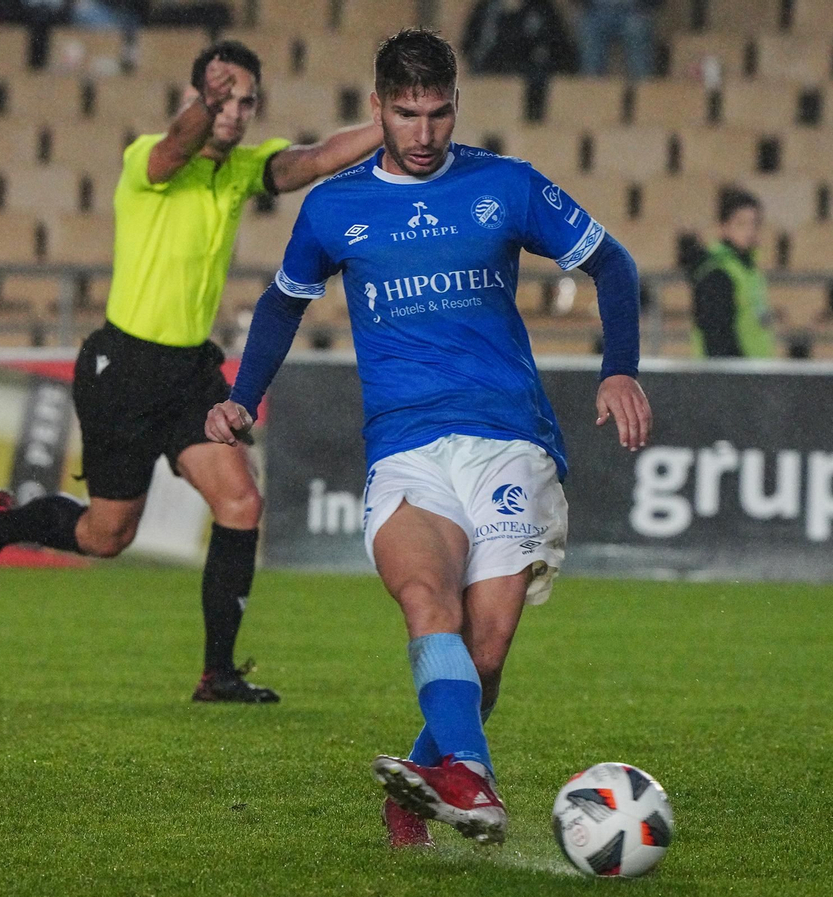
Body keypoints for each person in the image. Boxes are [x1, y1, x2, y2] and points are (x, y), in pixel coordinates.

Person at [205, 29, 649, 847]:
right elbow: (281, 304)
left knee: (485, 651)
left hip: (510, 437)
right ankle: (472, 781)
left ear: (456, 106)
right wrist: (243, 397)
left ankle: (429, 779)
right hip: (404, 449)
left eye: (439, 114)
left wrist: (618, 369)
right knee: (426, 601)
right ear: (377, 107)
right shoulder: (334, 206)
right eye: (406, 114)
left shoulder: (506, 187)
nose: (423, 134)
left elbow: (612, 265)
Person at [0, 40, 382, 703]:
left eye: (245, 102)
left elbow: (311, 161)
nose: (235, 114)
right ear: (195, 99)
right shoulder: (148, 158)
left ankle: (218, 673)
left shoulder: (240, 170)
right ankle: (1, 523)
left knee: (241, 502)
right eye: (222, 99)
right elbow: (173, 150)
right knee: (106, 535)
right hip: (120, 366)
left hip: (189, 371)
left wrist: (388, 125)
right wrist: (201, 113)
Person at [689, 187, 774, 358]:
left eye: (755, 223)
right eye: (741, 223)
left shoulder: (748, 270)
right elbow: (717, 335)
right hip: (730, 376)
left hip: (751, 373)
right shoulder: (717, 273)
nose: (750, 231)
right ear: (723, 227)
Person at [575, 0, 657, 81]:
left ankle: (643, 84)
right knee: (589, 30)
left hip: (633, 11)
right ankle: (591, 86)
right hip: (596, 11)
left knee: (637, 29)